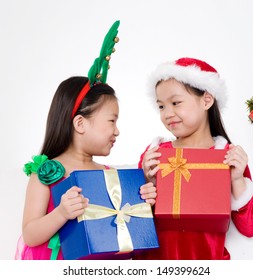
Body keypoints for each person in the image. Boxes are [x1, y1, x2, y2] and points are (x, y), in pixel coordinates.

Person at [15, 21, 156, 260]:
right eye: (112, 121)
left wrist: (144, 206)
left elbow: (123, 234)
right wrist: (61, 212)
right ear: (80, 123)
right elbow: (30, 234)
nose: (117, 131)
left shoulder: (111, 177)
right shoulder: (47, 171)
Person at [133, 57, 253, 260]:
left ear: (206, 100)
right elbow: (132, 229)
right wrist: (146, 184)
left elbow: (251, 228)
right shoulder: (155, 154)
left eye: (175, 103)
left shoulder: (227, 156)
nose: (167, 114)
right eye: (161, 106)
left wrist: (237, 180)